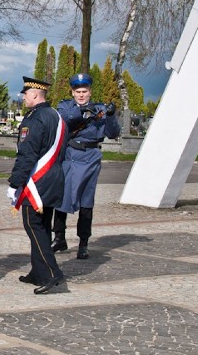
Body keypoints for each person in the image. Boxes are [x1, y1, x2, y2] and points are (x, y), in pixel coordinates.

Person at [8, 76, 66, 294]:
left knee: (34, 226)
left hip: (38, 181)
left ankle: (51, 274)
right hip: (54, 178)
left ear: (34, 94)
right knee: (42, 224)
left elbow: (27, 153)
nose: (23, 97)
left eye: (25, 93)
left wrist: (15, 182)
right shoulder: (56, 116)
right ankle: (38, 271)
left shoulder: (35, 119)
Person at [52, 73, 120, 259]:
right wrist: (85, 112)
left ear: (90, 91)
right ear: (72, 92)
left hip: (91, 157)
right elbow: (66, 120)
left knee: (86, 201)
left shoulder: (100, 109)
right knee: (63, 196)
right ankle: (59, 236)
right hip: (71, 155)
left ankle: (84, 242)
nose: (81, 95)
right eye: (78, 91)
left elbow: (113, 133)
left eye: (85, 91)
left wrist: (112, 116)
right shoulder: (65, 106)